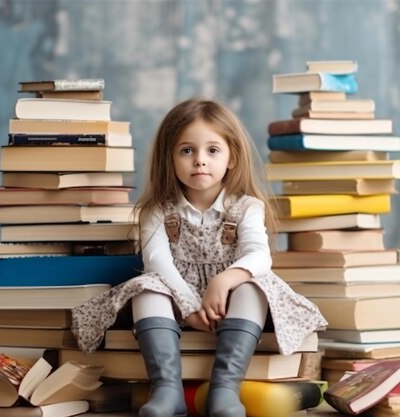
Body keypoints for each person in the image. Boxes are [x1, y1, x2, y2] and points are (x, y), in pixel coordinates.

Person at [72, 98, 327, 417]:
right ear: (170, 158)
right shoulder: (158, 211)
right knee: (147, 286)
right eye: (187, 150)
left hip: (228, 304)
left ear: (232, 157)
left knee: (255, 285)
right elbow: (158, 262)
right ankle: (166, 388)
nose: (200, 161)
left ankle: (224, 389)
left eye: (213, 150)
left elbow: (259, 255)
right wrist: (190, 306)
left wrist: (225, 280)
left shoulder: (246, 207)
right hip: (177, 300)